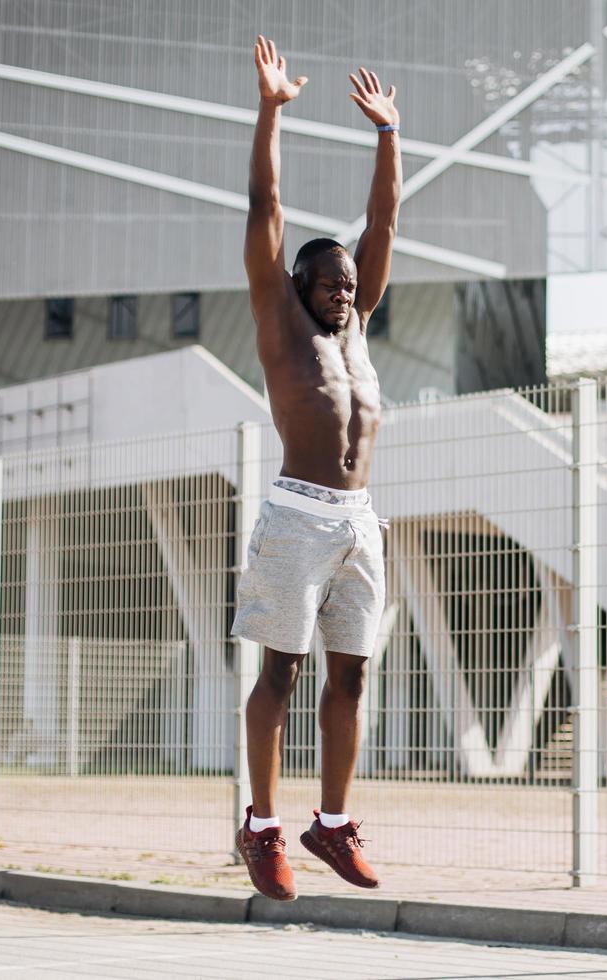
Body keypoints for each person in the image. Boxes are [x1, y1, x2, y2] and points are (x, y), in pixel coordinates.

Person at [229, 35, 400, 901]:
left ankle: (330, 823)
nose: (343, 286)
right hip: (297, 512)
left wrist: (388, 135)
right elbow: (265, 203)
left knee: (353, 673)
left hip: (359, 520)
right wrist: (271, 110)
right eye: (329, 277)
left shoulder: (358, 329)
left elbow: (387, 223)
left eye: (349, 278)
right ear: (297, 284)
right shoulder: (281, 321)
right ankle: (260, 826)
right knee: (281, 674)